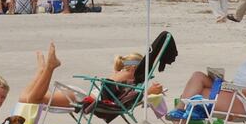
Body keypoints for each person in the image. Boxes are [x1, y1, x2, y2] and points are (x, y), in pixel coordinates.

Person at [17, 42, 162, 108]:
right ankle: (49, 68)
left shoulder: (121, 75)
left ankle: (42, 71)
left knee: (26, 98)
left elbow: (125, 99)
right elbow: (124, 102)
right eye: (140, 69)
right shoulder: (124, 78)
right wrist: (148, 92)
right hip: (82, 98)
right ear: (132, 69)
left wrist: (146, 92)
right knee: (33, 99)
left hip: (82, 96)